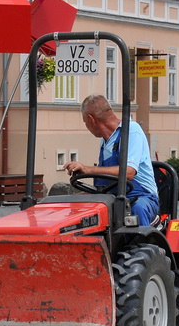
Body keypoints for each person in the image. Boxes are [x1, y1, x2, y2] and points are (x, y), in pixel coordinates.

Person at [63, 94, 159, 227]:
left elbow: (129, 172)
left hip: (141, 196)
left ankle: (140, 243)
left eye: (85, 122)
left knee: (137, 209)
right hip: (112, 196)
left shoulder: (131, 131)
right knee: (75, 206)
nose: (86, 126)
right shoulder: (105, 141)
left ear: (91, 120)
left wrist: (87, 169)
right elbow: (104, 179)